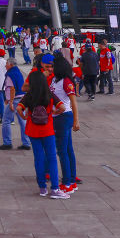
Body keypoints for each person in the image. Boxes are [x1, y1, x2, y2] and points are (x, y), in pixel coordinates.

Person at [16, 67, 68, 199]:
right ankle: (55, 188)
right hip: (47, 129)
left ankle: (42, 188)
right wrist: (54, 113)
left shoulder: (29, 95)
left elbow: (19, 108)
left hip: (33, 130)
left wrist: (24, 117)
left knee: (38, 158)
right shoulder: (49, 94)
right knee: (51, 158)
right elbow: (62, 107)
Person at [48, 55, 80, 194]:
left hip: (64, 116)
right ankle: (70, 181)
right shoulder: (56, 80)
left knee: (63, 151)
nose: (51, 68)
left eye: (52, 66)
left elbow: (73, 101)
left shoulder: (66, 81)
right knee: (67, 150)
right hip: (58, 116)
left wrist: (76, 120)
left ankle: (67, 182)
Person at [0, 59, 31, 151]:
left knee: (6, 120)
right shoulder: (18, 71)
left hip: (15, 99)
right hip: (21, 98)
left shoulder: (10, 74)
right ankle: (26, 142)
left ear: (11, 65)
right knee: (22, 121)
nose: (5, 66)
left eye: (6, 64)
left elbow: (12, 88)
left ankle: (7, 142)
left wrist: (10, 101)